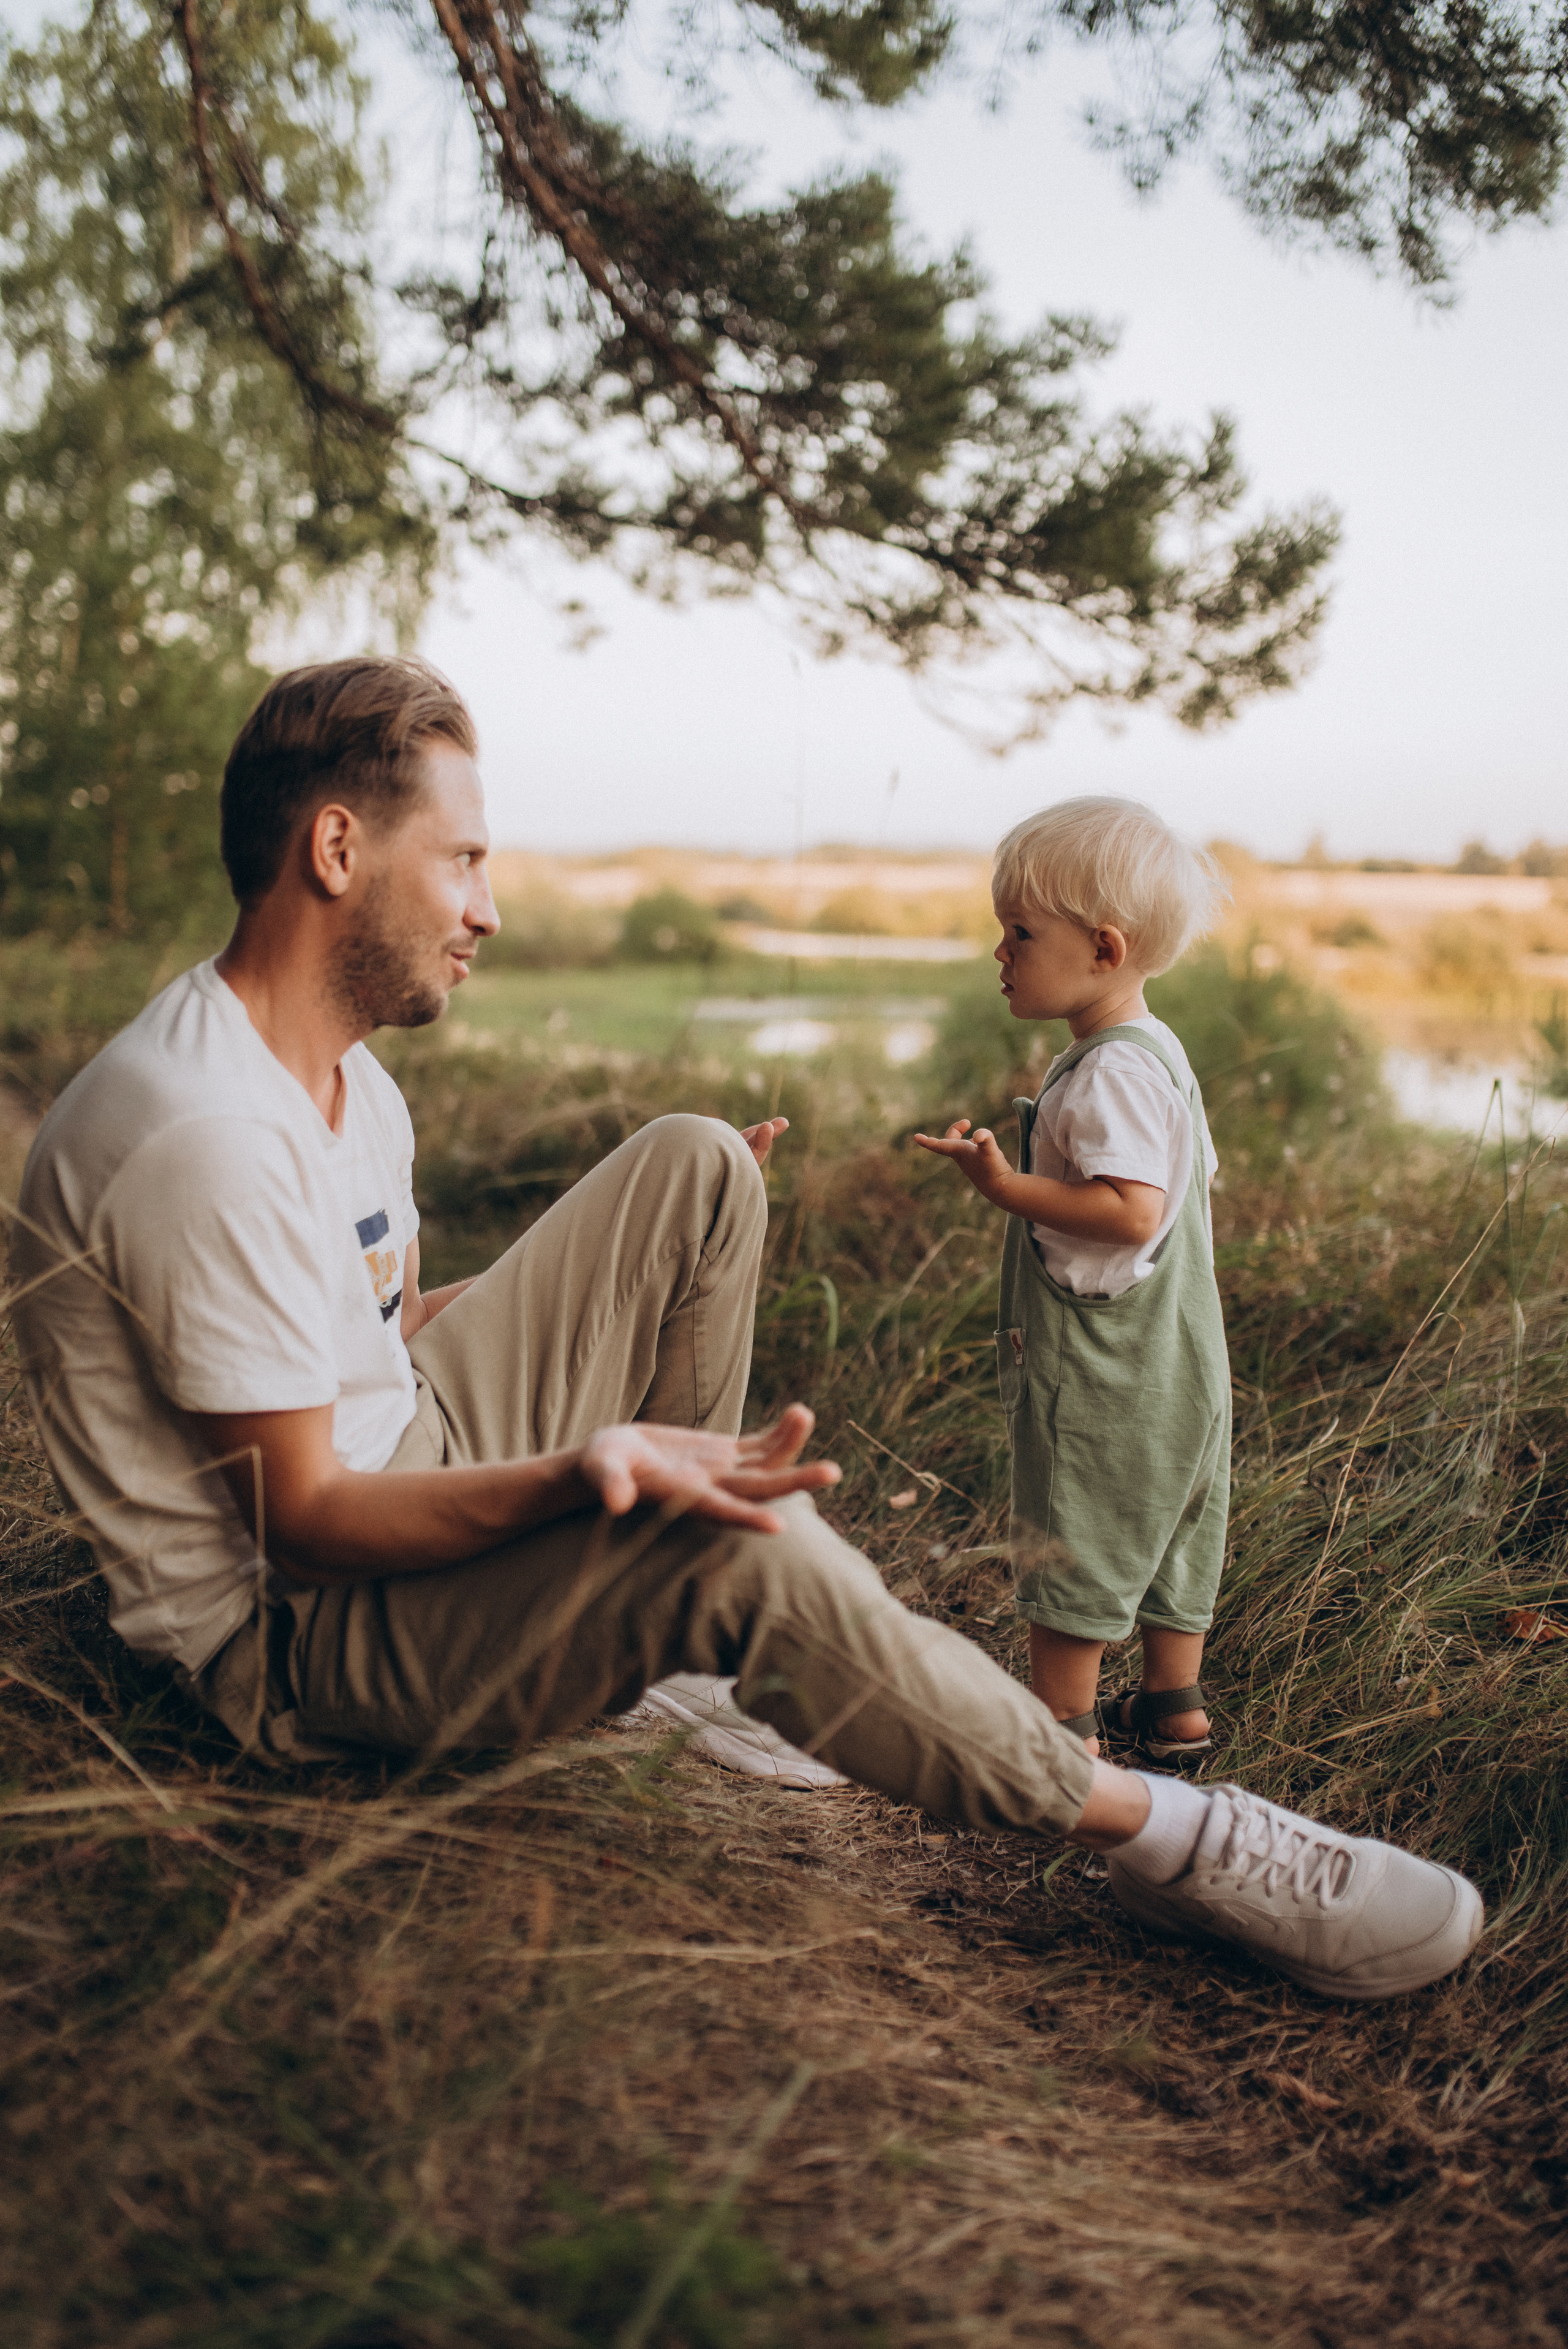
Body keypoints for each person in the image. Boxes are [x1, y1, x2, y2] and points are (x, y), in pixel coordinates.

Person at [10, 660, 1482, 2003]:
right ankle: (1171, 1838)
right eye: (461, 860)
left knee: (696, 1165)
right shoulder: (204, 1132)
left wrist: (618, 1293)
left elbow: (370, 1337)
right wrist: (594, 1474)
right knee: (729, 1543)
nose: (487, 909)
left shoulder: (341, 1078)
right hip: (298, 1638)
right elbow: (308, 1525)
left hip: (399, 1451)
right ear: (336, 850)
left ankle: (666, 1660)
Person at [916, 799, 1230, 1768]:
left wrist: (1004, 1185)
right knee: (1173, 1521)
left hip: (1102, 1364)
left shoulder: (1107, 1074)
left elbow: (1133, 1210)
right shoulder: (1158, 1052)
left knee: (1072, 1530)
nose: (1000, 951)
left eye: (1019, 932)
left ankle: (1061, 1742)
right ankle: (1173, 1709)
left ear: (1104, 947)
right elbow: (1187, 1187)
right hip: (1181, 1352)